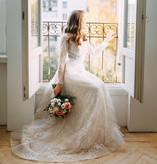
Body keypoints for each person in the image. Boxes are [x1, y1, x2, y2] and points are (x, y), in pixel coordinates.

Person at [11, 10, 125, 163]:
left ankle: (94, 133)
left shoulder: (83, 37)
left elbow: (95, 53)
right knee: (95, 88)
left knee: (100, 85)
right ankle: (82, 130)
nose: (85, 21)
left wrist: (106, 40)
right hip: (70, 73)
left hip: (81, 71)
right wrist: (59, 83)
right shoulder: (66, 37)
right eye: (83, 19)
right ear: (77, 21)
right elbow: (61, 63)